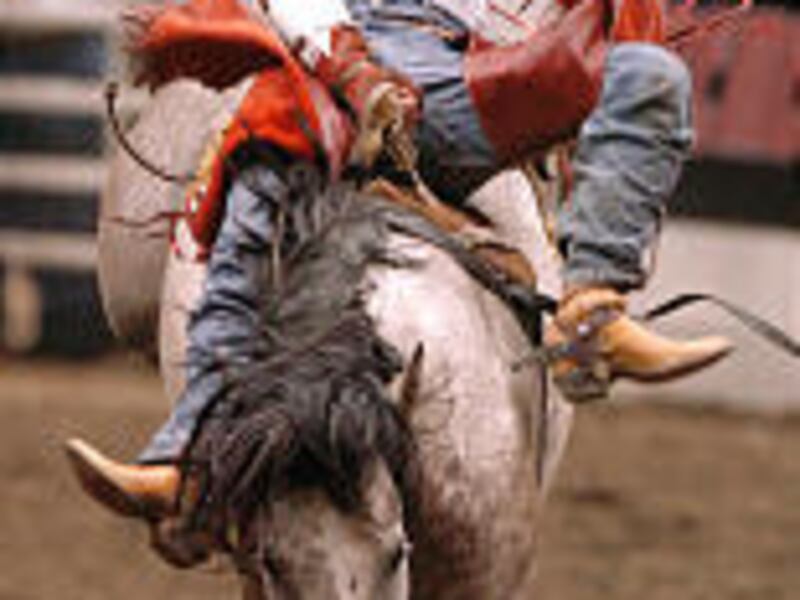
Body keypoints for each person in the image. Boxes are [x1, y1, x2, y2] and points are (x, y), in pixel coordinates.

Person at [66, 0, 732, 524]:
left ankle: (590, 311)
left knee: (649, 74)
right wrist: (352, 69)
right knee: (269, 142)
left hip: (471, 75)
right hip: (347, 66)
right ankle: (190, 449)